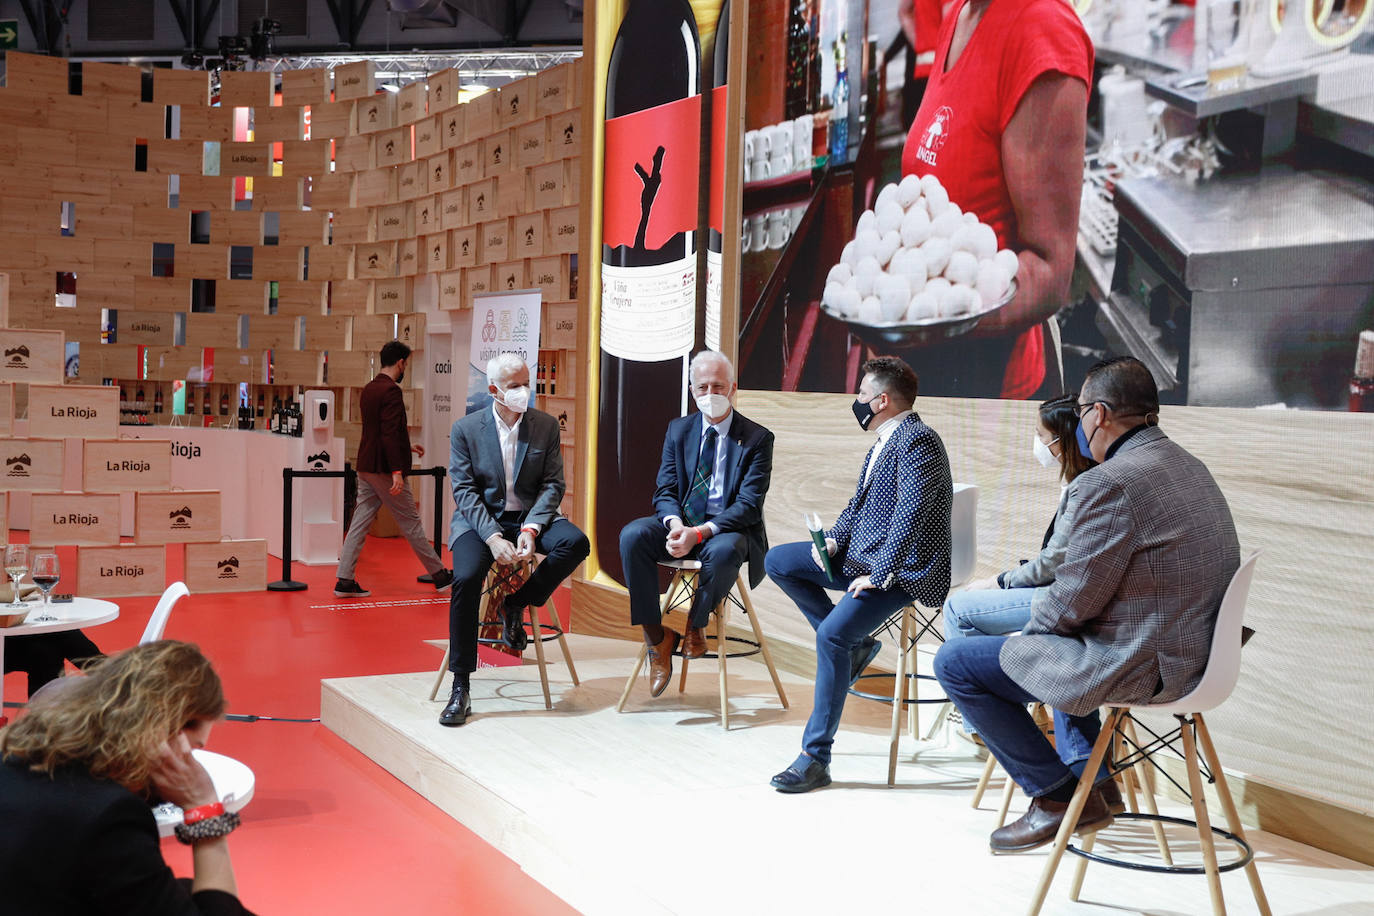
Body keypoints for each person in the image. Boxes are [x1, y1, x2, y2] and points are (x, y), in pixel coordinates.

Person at [933, 357, 1240, 853]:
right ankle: (1090, 779)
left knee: (957, 663)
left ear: (1097, 414)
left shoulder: (1110, 482)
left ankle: (1056, 799)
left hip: (1148, 665)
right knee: (1065, 641)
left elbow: (1070, 600)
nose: (1076, 426)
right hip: (1199, 658)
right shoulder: (1190, 466)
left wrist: (1027, 643)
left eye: (1079, 414)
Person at [765, 356, 952, 793]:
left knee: (831, 635)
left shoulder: (919, 440)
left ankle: (815, 758)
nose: (858, 401)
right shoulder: (882, 441)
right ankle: (857, 647)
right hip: (862, 556)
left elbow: (910, 515)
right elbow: (859, 507)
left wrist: (881, 574)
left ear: (883, 400)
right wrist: (830, 539)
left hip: (903, 570)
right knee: (779, 561)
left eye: (863, 395)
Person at [899, 0, 1093, 399]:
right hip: (928, 376)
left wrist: (917, 314)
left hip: (990, 391)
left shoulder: (1042, 29)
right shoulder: (958, 14)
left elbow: (1048, 271)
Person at [0, 640, 255, 915]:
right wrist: (205, 812)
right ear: (166, 735)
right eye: (192, 750)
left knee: (185, 889)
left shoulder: (15, 758)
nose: (191, 764)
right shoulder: (110, 818)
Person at [440, 353, 590, 726]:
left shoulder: (545, 426)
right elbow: (465, 491)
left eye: (528, 382)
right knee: (467, 578)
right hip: (480, 523)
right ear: (493, 390)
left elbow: (553, 484)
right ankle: (461, 685)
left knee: (576, 543)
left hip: (527, 519)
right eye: (515, 386)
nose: (525, 391)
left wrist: (531, 528)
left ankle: (516, 604)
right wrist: (492, 537)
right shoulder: (465, 429)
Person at [618, 351, 774, 696]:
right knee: (633, 536)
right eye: (702, 387)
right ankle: (655, 638)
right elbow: (665, 489)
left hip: (726, 529)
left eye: (718, 386)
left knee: (724, 551)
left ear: (732, 388)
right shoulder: (679, 429)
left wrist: (699, 533)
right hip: (682, 522)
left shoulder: (758, 438)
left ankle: (696, 623)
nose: (710, 393)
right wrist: (676, 525)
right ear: (692, 391)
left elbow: (749, 505)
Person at [941, 393, 1095, 645]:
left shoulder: (1084, 489)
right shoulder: (1077, 484)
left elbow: (1052, 563)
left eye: (1040, 435)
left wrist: (1000, 581)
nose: (1037, 442)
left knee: (957, 610)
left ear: (1061, 441)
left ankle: (985, 679)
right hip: (1063, 588)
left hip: (1065, 596)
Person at [335, 340, 453, 598]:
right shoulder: (391, 392)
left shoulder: (369, 389)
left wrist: (407, 447)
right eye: (406, 364)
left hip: (366, 466)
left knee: (359, 523)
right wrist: (397, 470)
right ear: (401, 362)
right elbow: (388, 433)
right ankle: (441, 576)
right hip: (385, 470)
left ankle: (344, 579)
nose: (405, 368)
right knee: (411, 523)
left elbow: (380, 432)